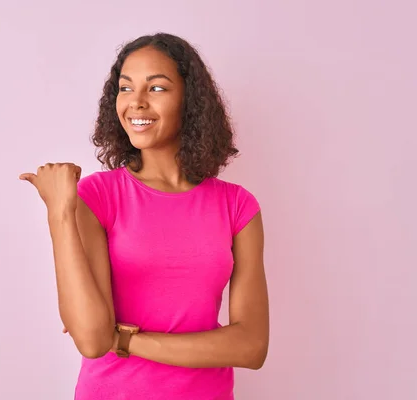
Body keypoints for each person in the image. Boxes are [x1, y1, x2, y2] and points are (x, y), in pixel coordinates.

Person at [19, 32, 269, 400]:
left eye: (156, 88)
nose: (135, 103)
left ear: (190, 101)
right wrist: (60, 212)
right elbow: (90, 339)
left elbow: (251, 346)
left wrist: (125, 339)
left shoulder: (237, 207)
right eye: (125, 88)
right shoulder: (97, 196)